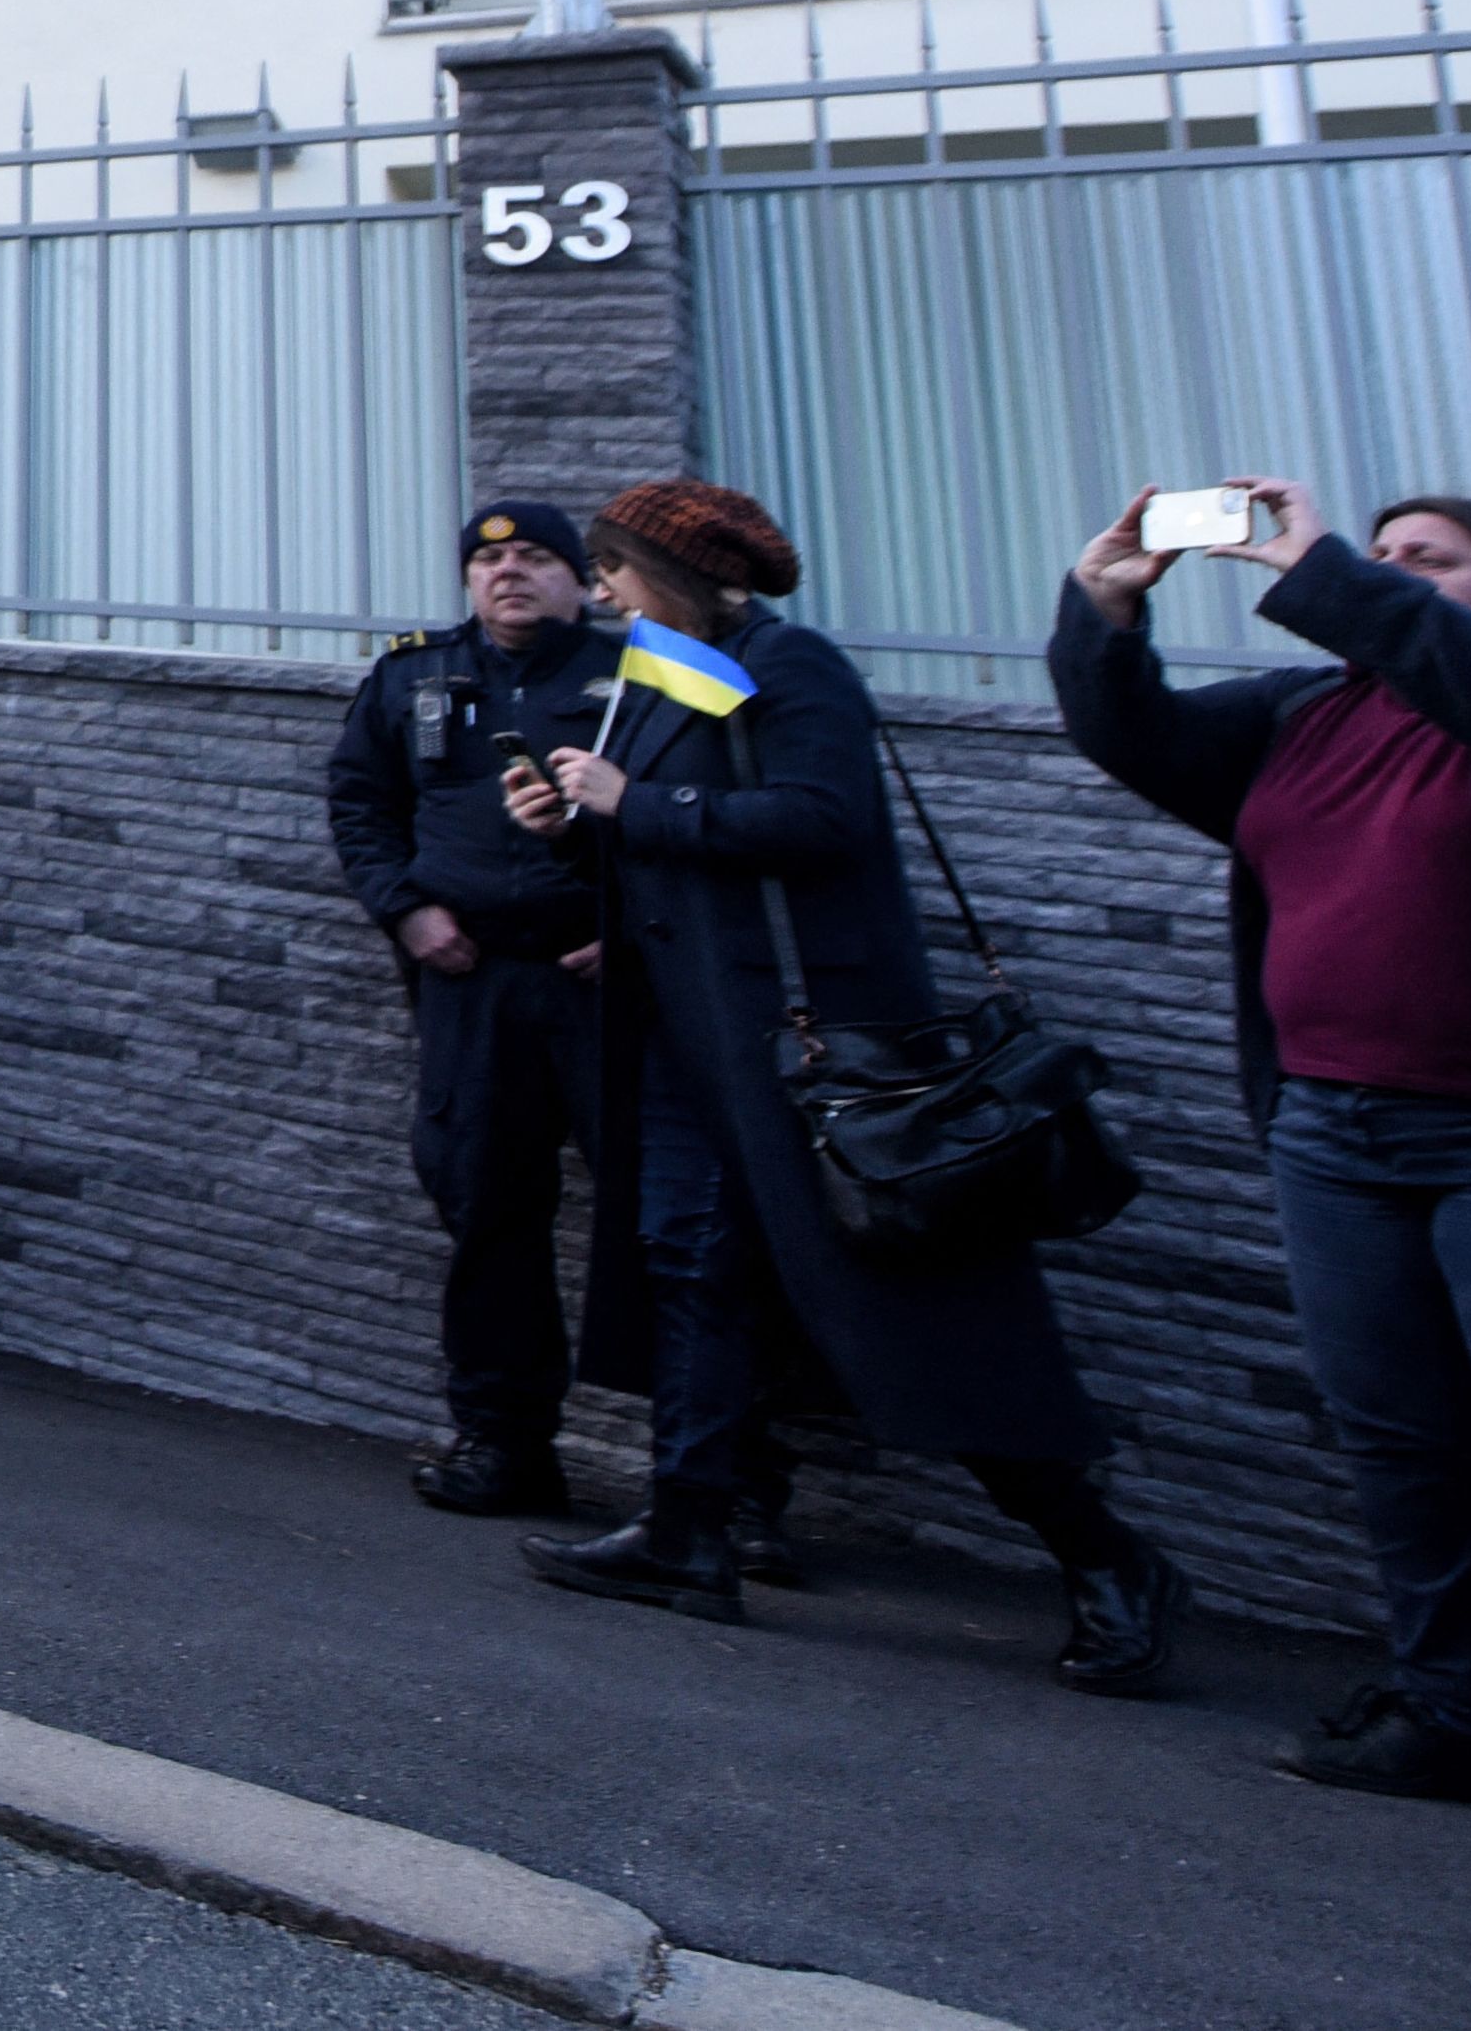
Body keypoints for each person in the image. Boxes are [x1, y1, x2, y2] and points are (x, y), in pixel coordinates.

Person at [1052, 480, 1471, 1923]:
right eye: (1381, 556)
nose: (1380, 575)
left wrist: (1332, 569)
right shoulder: (1302, 720)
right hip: (1336, 1135)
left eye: (1427, 562)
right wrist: (1103, 613)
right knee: (1406, 1440)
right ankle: (1467, 1722)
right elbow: (1136, 738)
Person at [502, 479, 1183, 1691]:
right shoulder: (671, 668)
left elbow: (819, 818)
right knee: (691, 1275)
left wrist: (637, 801)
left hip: (808, 1056)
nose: (598, 591)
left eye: (612, 568)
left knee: (913, 1319)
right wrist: (574, 824)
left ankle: (1106, 1556)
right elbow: (679, 835)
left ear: (678, 569)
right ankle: (688, 1529)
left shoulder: (790, 658)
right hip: (694, 1044)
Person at [322, 501, 627, 1519]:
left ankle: (723, 1476)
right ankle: (504, 1442)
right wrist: (403, 912)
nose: (506, 573)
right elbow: (359, 800)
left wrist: (631, 930)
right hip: (470, 982)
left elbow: (688, 806)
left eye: (533, 556)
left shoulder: (638, 674)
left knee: (663, 1214)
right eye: (487, 559)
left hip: (606, 983)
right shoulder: (413, 672)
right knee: (487, 1208)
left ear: (581, 578)